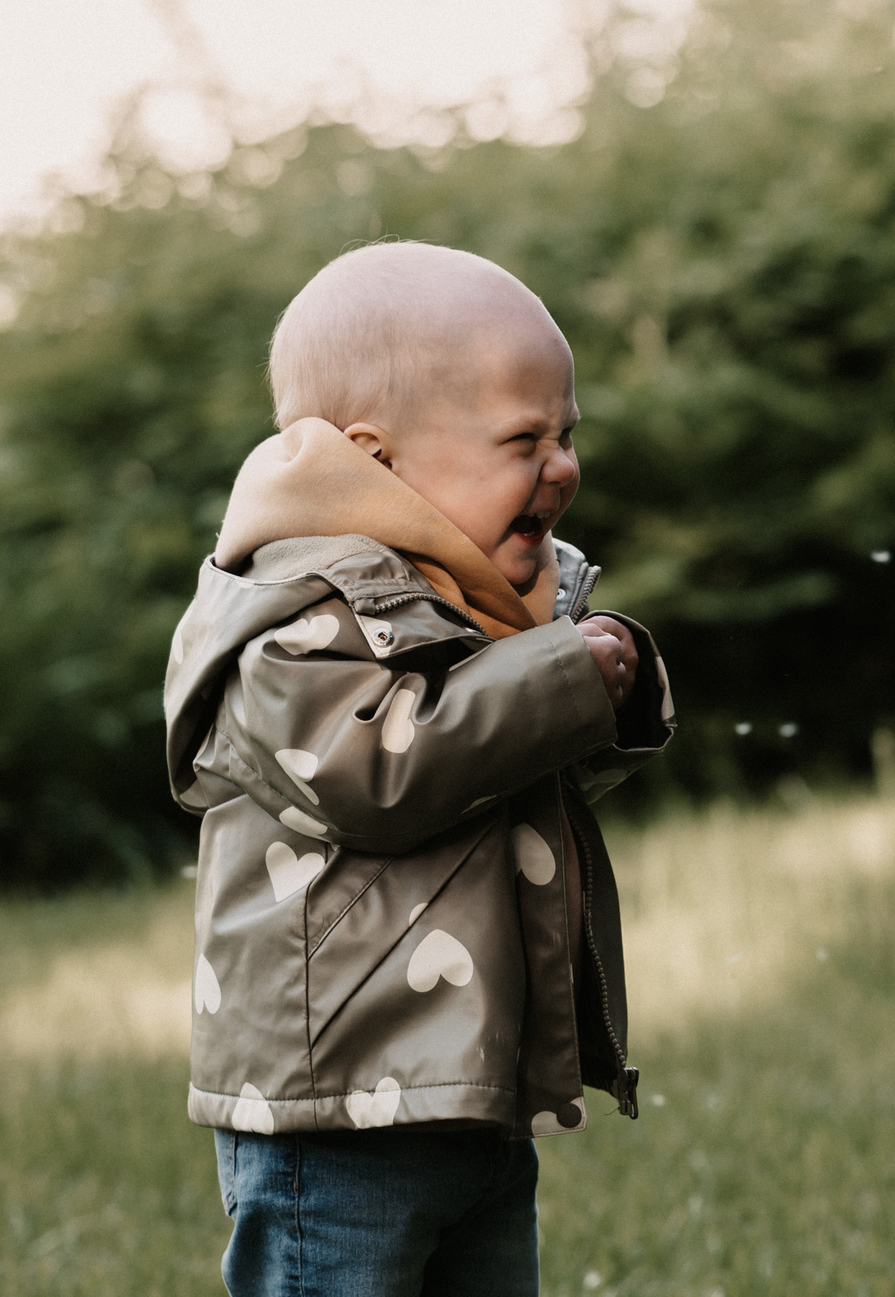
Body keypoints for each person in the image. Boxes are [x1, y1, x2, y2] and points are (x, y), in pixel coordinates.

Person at [164, 241, 678, 1297]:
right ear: (377, 458)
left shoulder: (475, 597)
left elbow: (525, 781)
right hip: (340, 1101)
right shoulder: (293, 617)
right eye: (522, 438)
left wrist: (606, 694)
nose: (562, 464)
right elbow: (383, 772)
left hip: (460, 1077)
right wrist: (554, 681)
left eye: (567, 434)